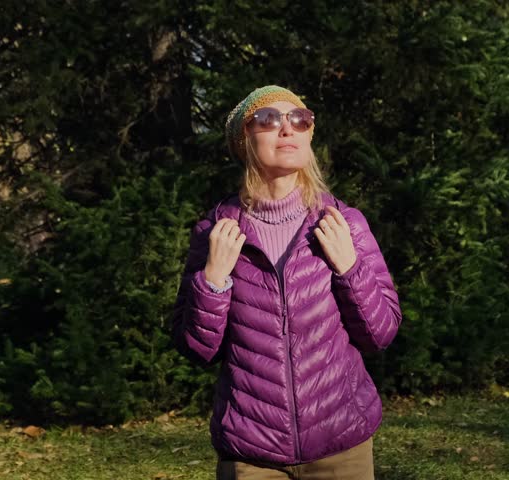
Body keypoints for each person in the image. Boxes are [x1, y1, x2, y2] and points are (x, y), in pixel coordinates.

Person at [171, 85, 402, 479]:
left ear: (309, 135)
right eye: (267, 119)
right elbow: (196, 348)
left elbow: (380, 334)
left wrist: (350, 268)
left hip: (341, 445)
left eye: (299, 120)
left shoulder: (344, 224)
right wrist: (213, 282)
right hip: (251, 454)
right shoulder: (216, 232)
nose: (286, 129)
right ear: (244, 139)